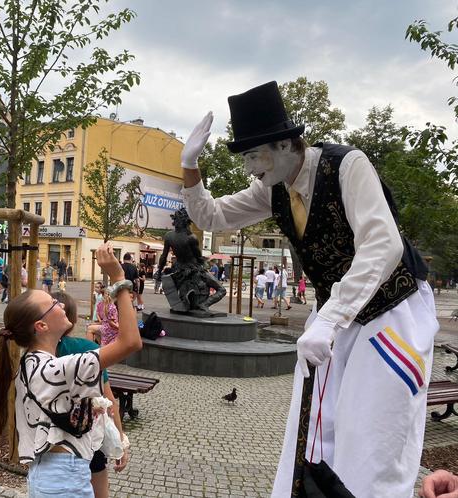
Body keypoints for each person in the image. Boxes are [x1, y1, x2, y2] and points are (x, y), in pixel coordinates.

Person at [180, 82, 436, 497]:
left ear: (283, 145)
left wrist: (330, 319)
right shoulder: (272, 188)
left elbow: (382, 243)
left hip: (391, 312)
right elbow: (212, 216)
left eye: (251, 155)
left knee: (373, 438)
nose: (248, 168)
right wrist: (190, 167)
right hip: (334, 321)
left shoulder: (348, 166)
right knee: (318, 432)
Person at [0, 242, 141, 496]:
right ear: (41, 326)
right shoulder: (53, 369)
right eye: (52, 304)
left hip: (59, 474)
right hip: (62, 479)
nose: (61, 304)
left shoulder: (35, 363)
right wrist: (119, 279)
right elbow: (130, 342)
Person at [52, 291, 130, 498]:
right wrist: (120, 442)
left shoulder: (33, 356)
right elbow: (110, 401)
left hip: (50, 447)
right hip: (87, 438)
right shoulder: (87, 349)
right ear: (73, 319)